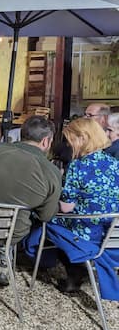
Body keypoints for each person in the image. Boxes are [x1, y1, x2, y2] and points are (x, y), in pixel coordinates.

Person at [0, 115, 62, 285]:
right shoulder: (51, 171)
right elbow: (46, 216)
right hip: (12, 232)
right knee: (24, 217)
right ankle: (2, 255)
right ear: (46, 142)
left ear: (21, 134)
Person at [44, 118, 119, 293]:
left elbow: (66, 208)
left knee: (47, 221)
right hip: (113, 231)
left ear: (83, 138)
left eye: (71, 140)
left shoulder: (78, 166)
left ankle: (74, 272)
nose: (69, 146)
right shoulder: (115, 164)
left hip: (87, 231)